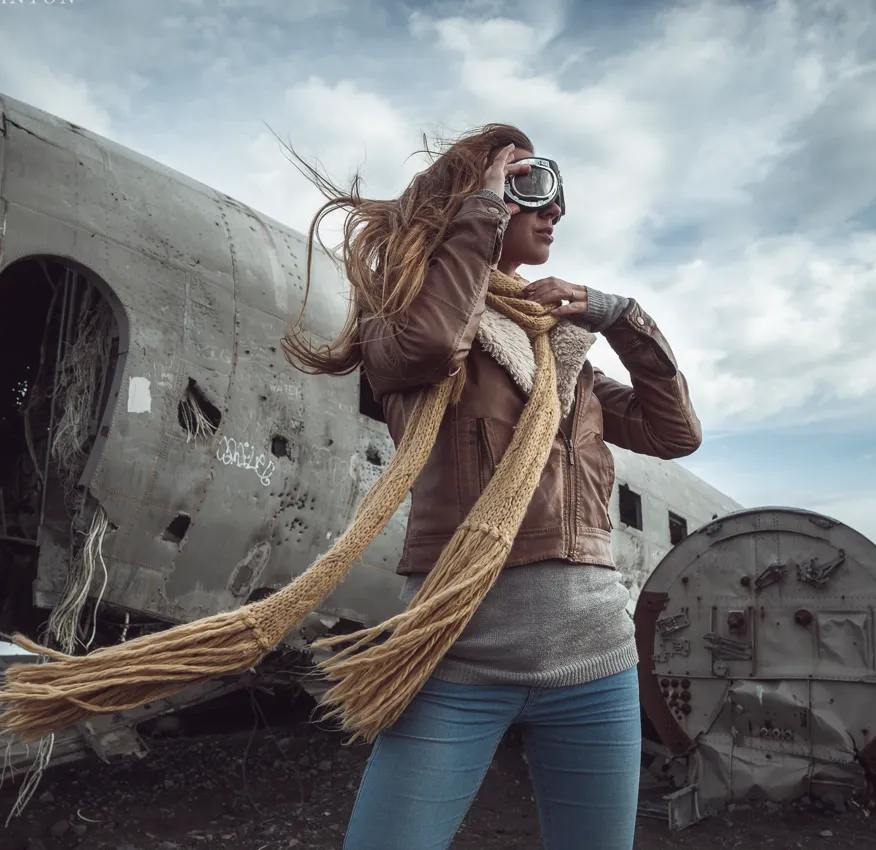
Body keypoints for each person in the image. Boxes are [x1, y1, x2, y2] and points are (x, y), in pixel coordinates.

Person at [282, 124, 702, 850]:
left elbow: (676, 433)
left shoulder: (565, 353)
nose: (556, 209)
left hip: (596, 667)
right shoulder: (398, 331)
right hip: (456, 662)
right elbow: (437, 342)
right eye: (531, 185)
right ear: (471, 201)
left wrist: (618, 314)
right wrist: (480, 212)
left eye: (558, 192)